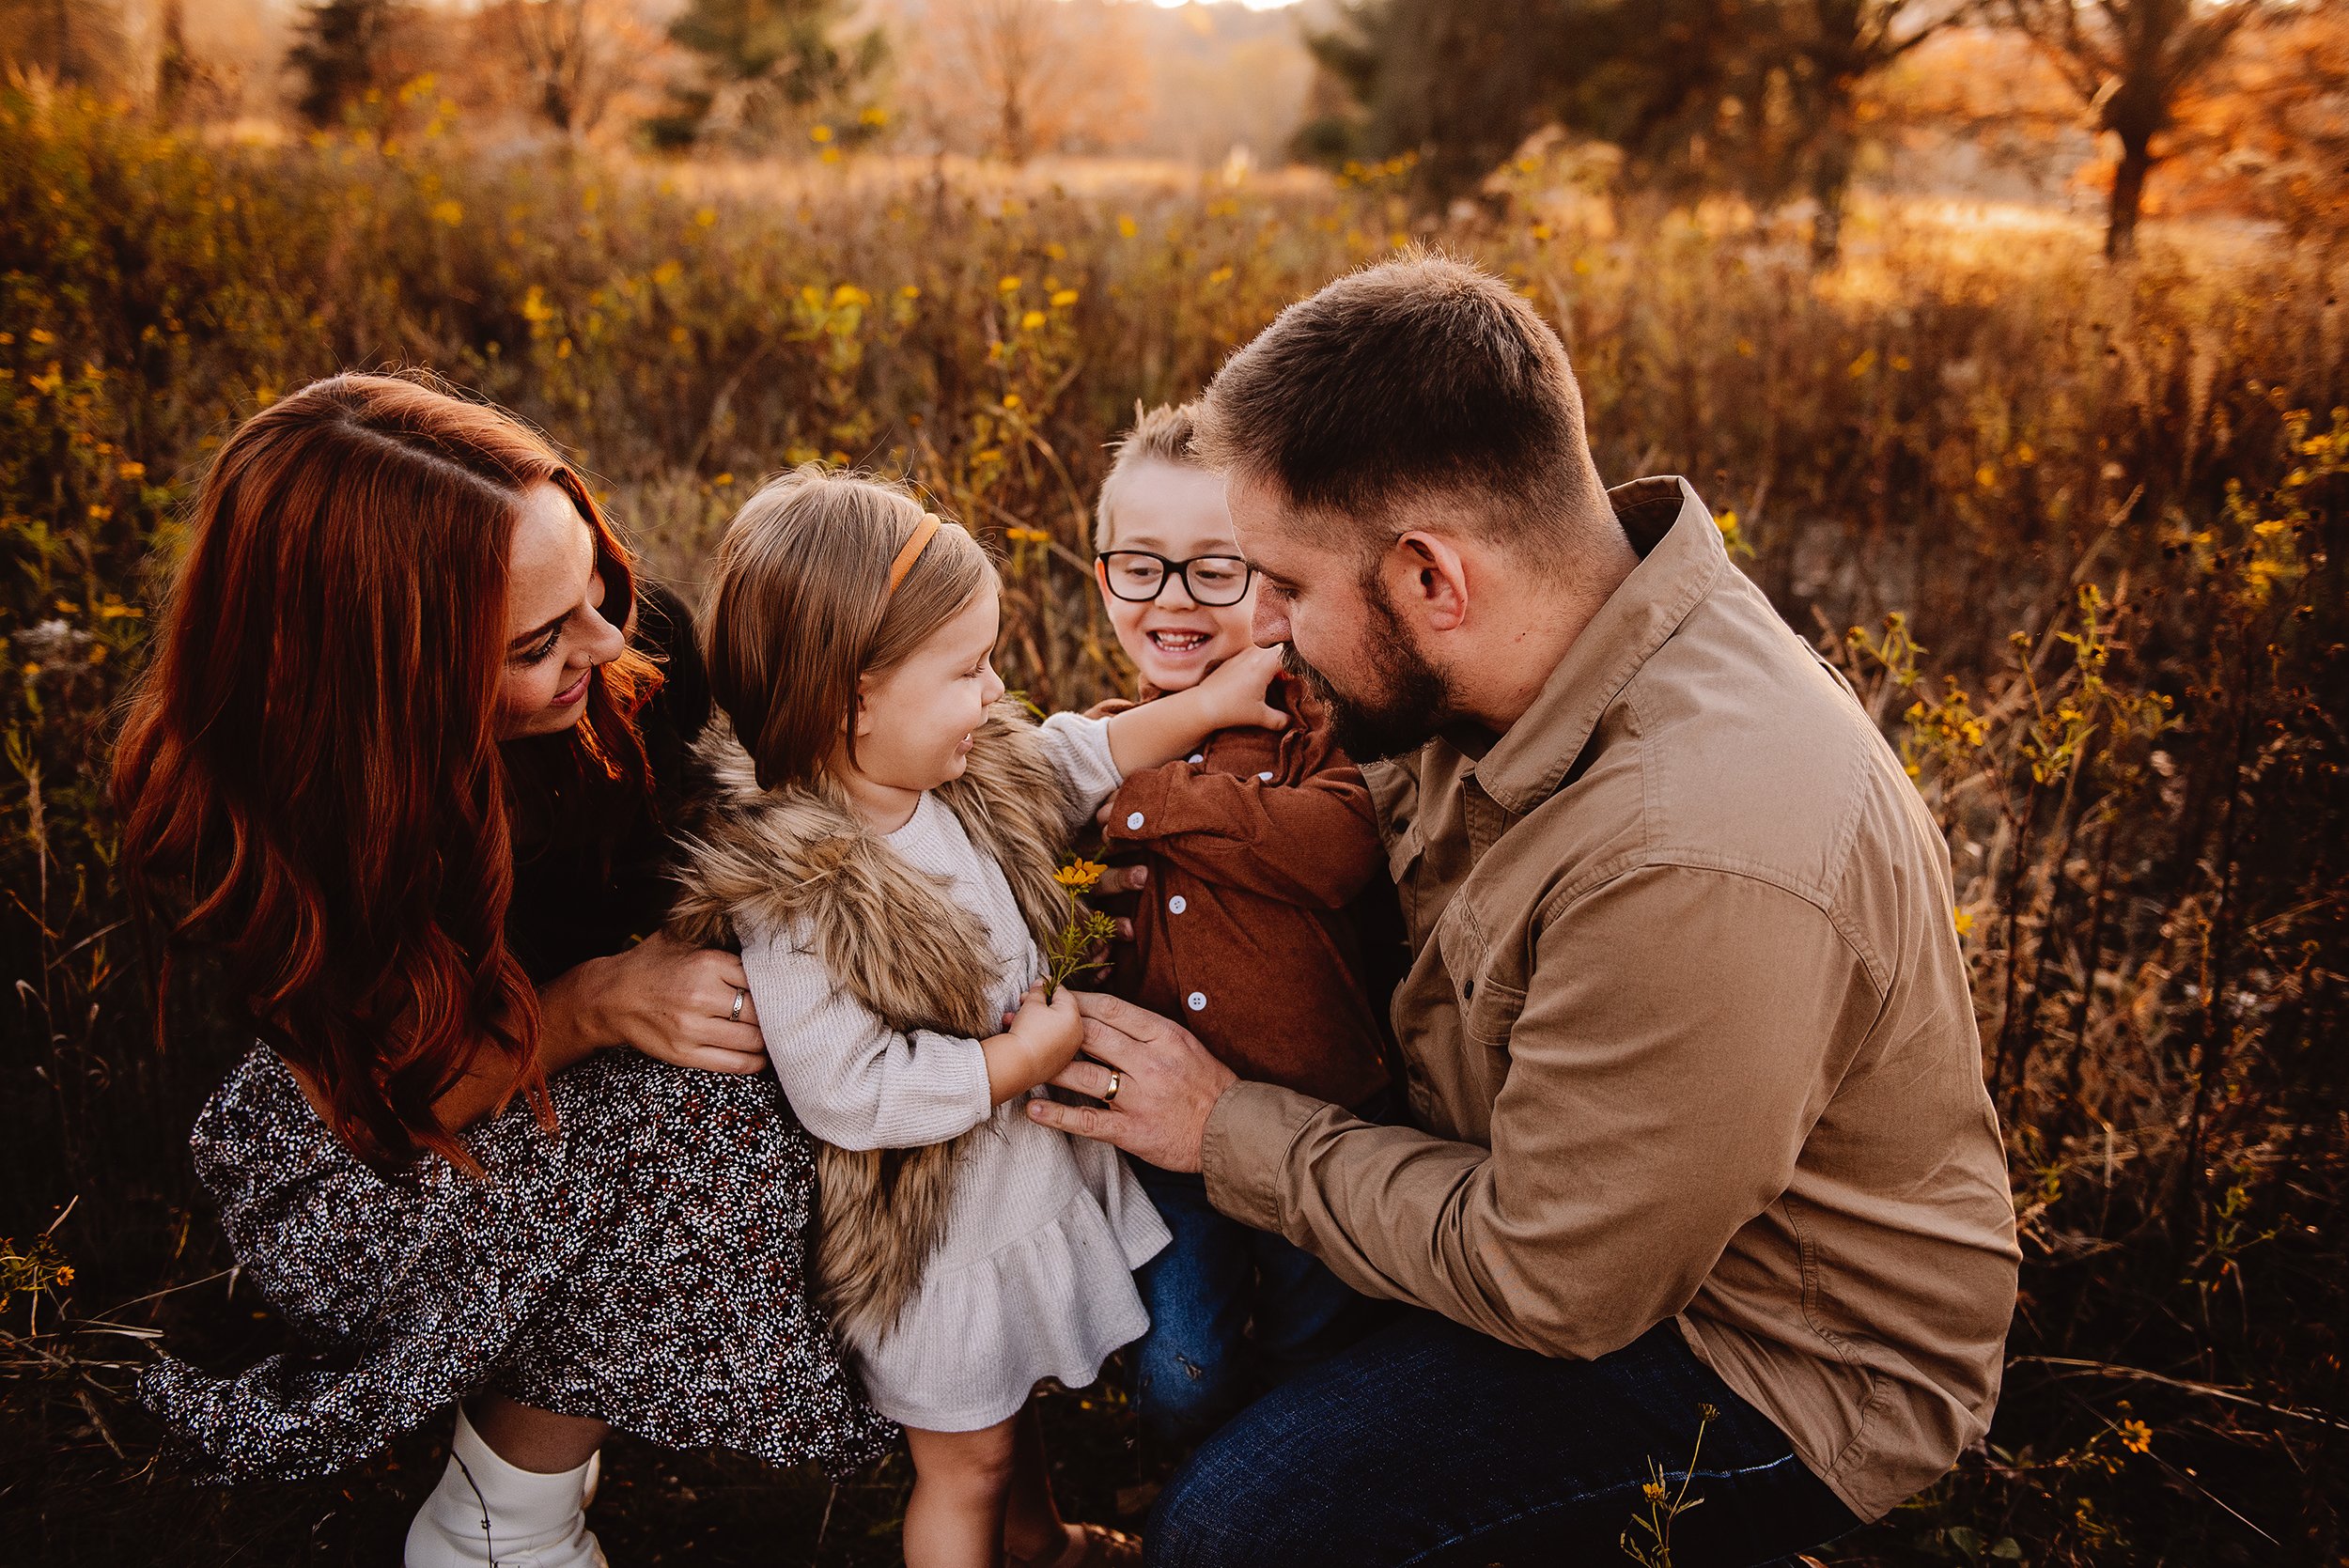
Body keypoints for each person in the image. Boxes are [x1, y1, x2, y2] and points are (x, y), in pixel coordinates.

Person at [1028, 256, 2023, 1567]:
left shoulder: (1694, 852)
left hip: (1766, 1347)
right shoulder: (1527, 636)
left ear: (1435, 578)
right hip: (1569, 1195)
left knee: (1239, 1529)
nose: (1255, 623)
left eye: (1282, 584)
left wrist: (1226, 1126)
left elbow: (1559, 1278)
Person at [114, 374, 892, 1568]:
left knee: (786, 1056)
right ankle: (497, 1520)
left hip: (556, 1072)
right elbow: (388, 1106)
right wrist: (590, 1005)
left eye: (596, 587)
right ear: (389, 678)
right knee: (701, 1120)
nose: (607, 641)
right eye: (538, 641)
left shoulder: (621, 662)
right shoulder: (268, 827)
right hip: (365, 1167)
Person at [663, 468, 1288, 1568]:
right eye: (968, 670)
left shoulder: (950, 774)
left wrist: (1200, 707)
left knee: (1011, 1420)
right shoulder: (801, 890)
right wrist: (1013, 1061)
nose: (997, 690)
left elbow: (1066, 762)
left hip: (1010, 1191)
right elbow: (848, 1092)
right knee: (963, 1469)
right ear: (855, 695)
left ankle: (1041, 1544)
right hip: (937, 1235)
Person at [1083, 402, 1396, 1450]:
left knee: (1320, 1340)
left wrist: (1150, 806)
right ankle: (1189, 1491)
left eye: (1215, 570)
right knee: (1184, 1362)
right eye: (1142, 566)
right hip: (1165, 1143)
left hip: (1319, 1119)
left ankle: (1290, 1497)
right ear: (1104, 580)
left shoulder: (1311, 726)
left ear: (1273, 586)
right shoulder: (1087, 748)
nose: (1174, 601)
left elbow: (1337, 850)